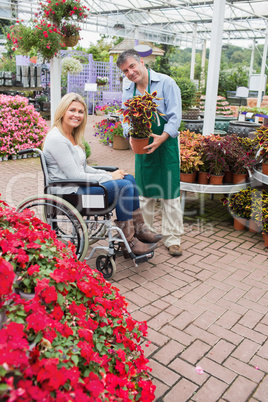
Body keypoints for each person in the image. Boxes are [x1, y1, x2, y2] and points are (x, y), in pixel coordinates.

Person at [43, 92, 162, 257]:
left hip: (79, 187)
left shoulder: (70, 135)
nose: (77, 115)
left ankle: (139, 231)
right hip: (70, 193)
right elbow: (76, 175)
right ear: (63, 111)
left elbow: (84, 168)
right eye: (72, 110)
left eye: (81, 111)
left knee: (129, 178)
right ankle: (129, 242)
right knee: (124, 187)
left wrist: (110, 173)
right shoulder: (57, 139)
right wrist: (109, 177)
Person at [116, 49, 184, 257]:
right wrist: (129, 133)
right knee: (144, 193)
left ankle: (173, 239)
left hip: (166, 145)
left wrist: (162, 137)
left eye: (132, 67)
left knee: (170, 193)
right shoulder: (128, 87)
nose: (130, 73)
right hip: (143, 145)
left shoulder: (166, 83)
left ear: (141, 62)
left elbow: (175, 116)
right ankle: (148, 233)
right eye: (125, 71)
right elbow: (126, 116)